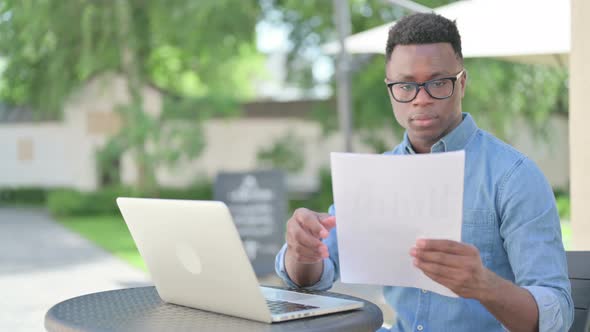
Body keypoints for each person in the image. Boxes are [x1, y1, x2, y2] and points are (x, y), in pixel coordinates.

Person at [274, 13, 573, 332]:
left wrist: (484, 285)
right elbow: (314, 276)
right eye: (406, 86)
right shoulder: (376, 176)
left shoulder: (514, 177)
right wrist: (301, 250)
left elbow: (558, 315)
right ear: (391, 90)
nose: (421, 99)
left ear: (462, 83)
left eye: (438, 83)